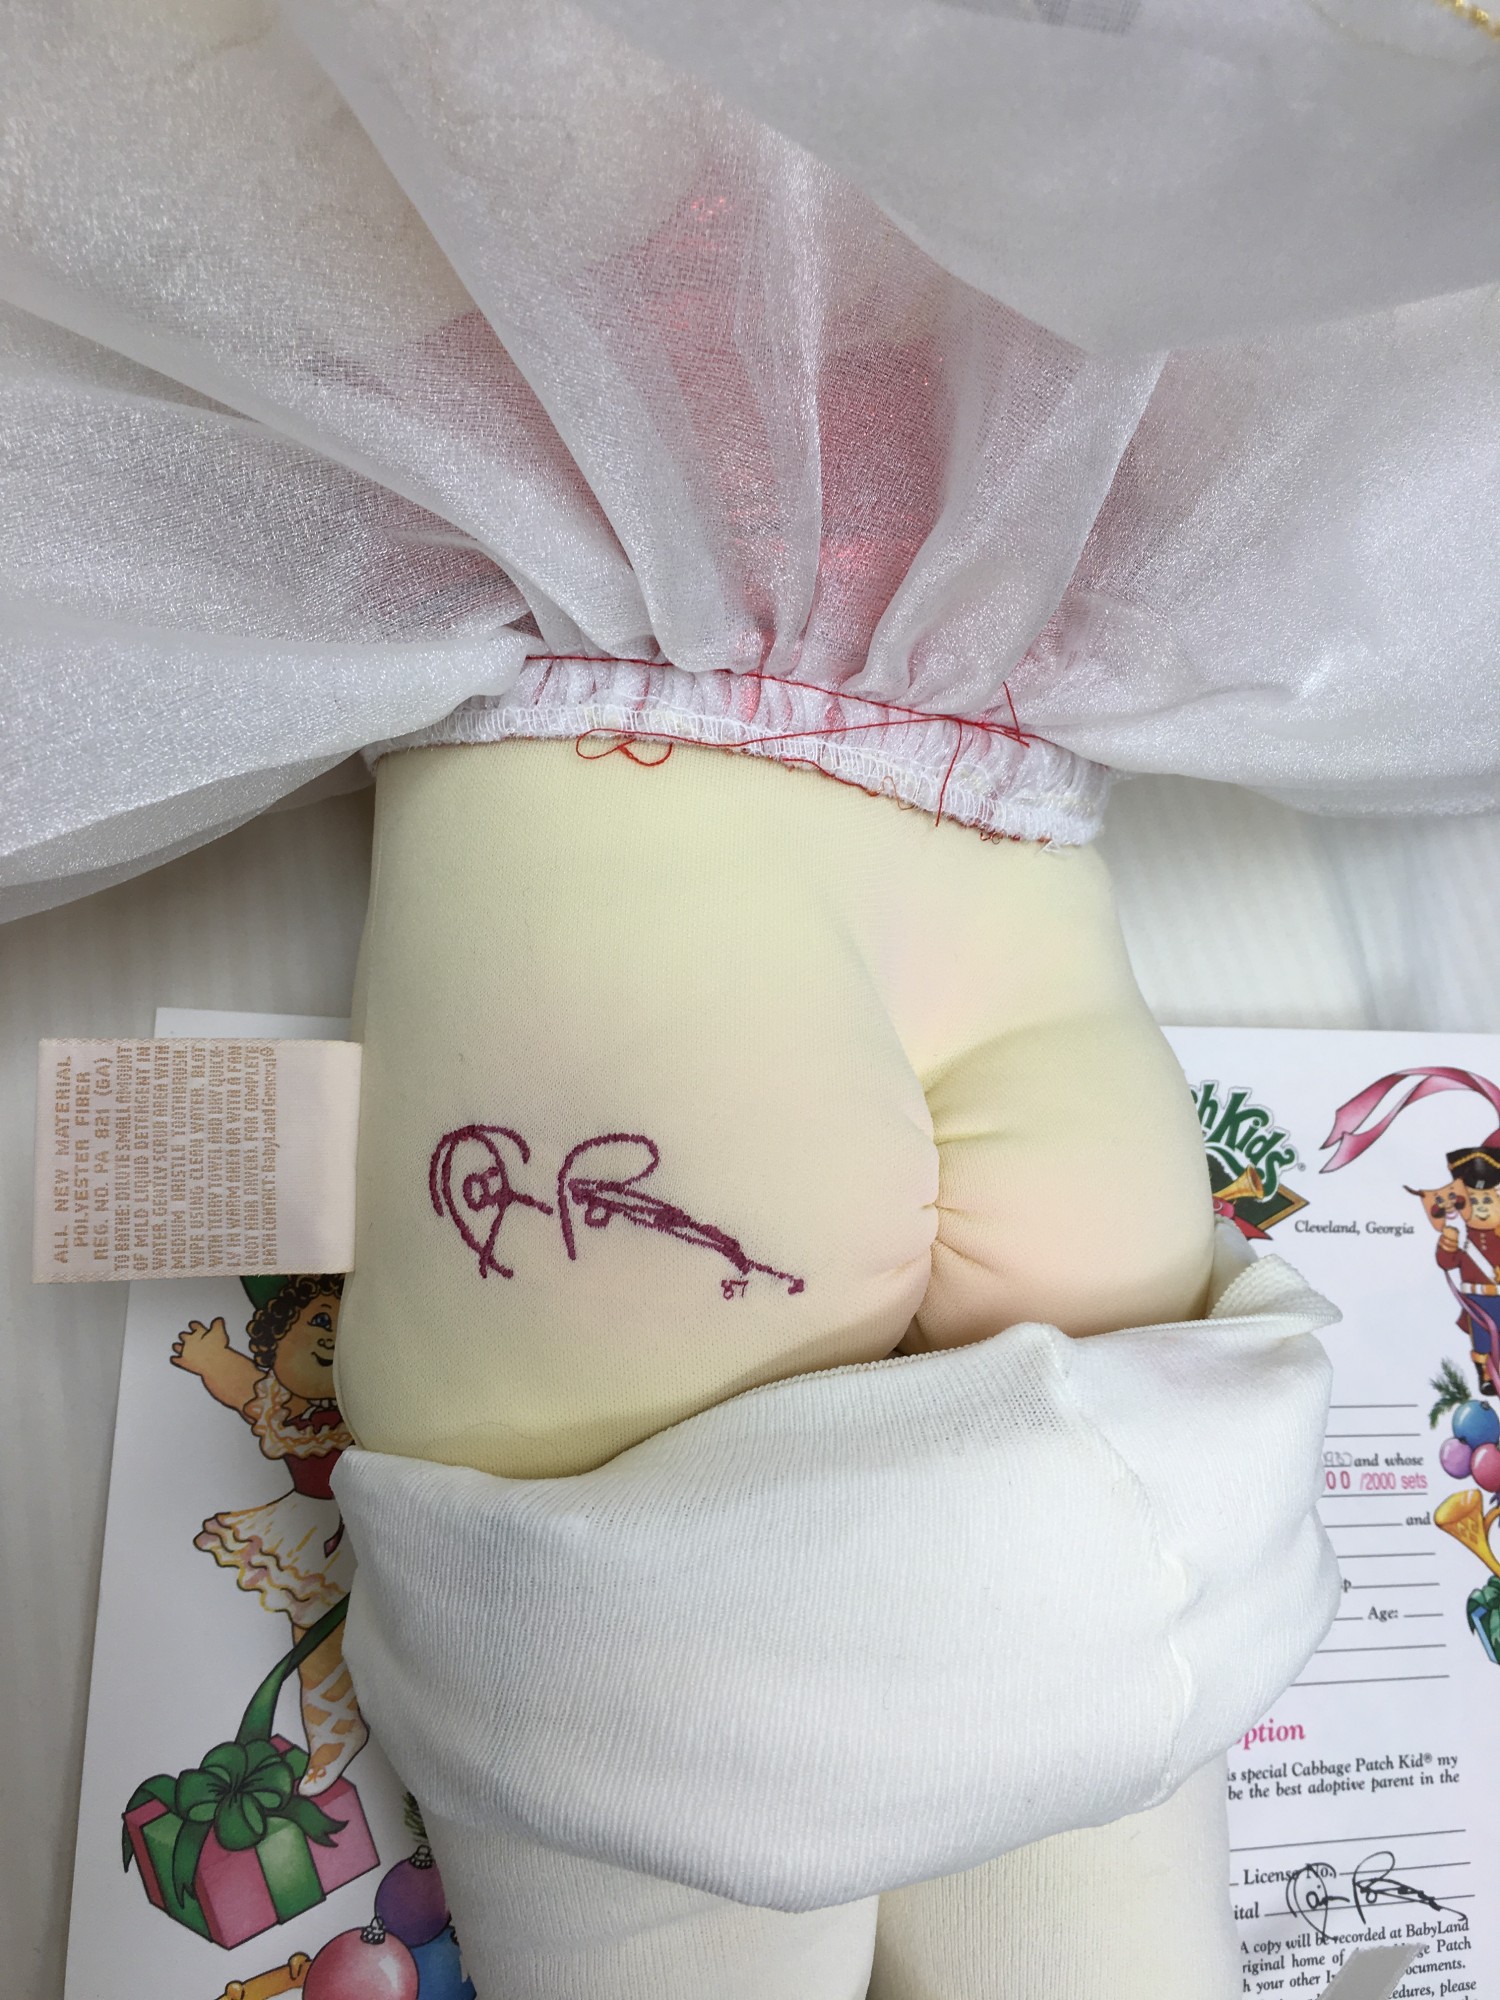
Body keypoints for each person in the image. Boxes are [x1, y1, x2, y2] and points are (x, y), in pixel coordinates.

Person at [172, 1274, 368, 1797]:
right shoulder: (281, 1408)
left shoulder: (374, 1394)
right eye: (319, 1320)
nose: (331, 1335)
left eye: (343, 1320)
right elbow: (242, 1388)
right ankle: (335, 1732)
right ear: (275, 1341)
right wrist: (211, 1359)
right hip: (312, 1528)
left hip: (375, 1519)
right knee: (314, 1635)